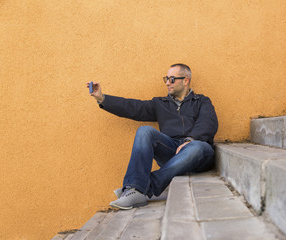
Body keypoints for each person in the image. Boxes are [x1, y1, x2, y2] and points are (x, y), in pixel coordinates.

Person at [87, 63, 218, 210]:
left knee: (196, 147)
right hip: (172, 151)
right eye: (166, 79)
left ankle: (141, 187)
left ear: (186, 80)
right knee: (145, 131)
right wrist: (102, 98)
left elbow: (208, 123)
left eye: (172, 79)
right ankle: (135, 189)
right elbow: (132, 107)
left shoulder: (201, 101)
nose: (168, 83)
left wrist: (189, 140)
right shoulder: (160, 104)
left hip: (199, 153)